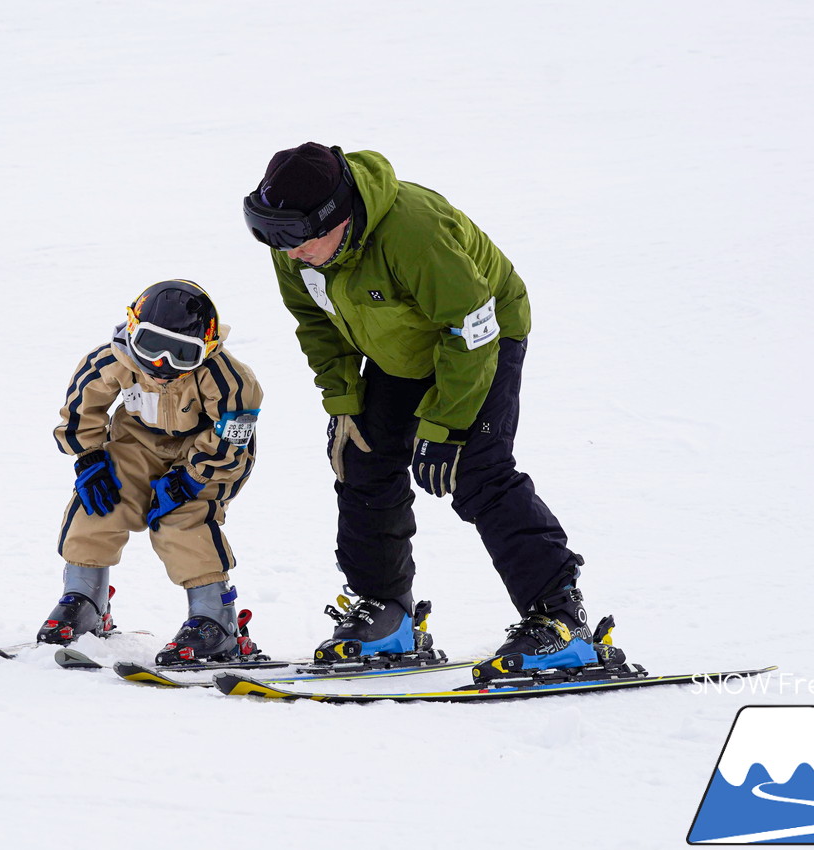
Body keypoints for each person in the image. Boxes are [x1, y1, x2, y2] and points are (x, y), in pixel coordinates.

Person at [242, 142, 622, 681]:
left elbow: (471, 328)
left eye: (294, 236)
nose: (286, 250)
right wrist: (345, 402)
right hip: (400, 348)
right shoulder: (297, 252)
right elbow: (318, 328)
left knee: (478, 471)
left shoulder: (414, 233)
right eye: (270, 235)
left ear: (337, 216)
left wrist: (447, 424)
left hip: (481, 335)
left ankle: (561, 621)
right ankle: (387, 614)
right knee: (363, 462)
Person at [39, 279, 265, 665]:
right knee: (102, 501)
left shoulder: (228, 379)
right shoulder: (113, 360)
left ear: (206, 349)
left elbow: (232, 434)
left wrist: (193, 477)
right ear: (131, 331)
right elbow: (82, 406)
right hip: (137, 443)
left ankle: (215, 620)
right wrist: (89, 457)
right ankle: (84, 597)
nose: (162, 365)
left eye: (182, 353)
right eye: (150, 346)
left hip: (207, 452)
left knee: (181, 517)